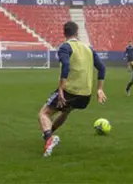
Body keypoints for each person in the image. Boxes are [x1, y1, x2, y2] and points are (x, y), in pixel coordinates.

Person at [38, 21, 106, 157]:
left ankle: (49, 138)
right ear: (77, 33)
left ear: (64, 33)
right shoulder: (88, 48)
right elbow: (102, 68)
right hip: (85, 95)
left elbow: (66, 66)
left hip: (70, 90)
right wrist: (99, 89)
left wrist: (61, 90)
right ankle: (49, 134)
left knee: (44, 113)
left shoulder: (65, 47)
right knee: (66, 111)